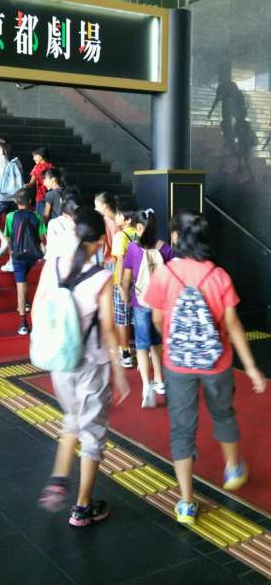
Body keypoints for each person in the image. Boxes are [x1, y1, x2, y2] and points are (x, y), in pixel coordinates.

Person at [145, 210, 266, 525]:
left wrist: (174, 338)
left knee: (182, 428)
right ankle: (233, 468)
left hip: (177, 364)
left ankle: (186, 503)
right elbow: (233, 325)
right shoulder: (218, 276)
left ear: (176, 236)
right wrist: (251, 367)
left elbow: (157, 319)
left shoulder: (164, 274)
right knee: (223, 414)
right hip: (217, 362)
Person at [34, 208, 130, 526]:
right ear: (101, 240)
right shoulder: (102, 278)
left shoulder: (54, 265)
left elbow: (38, 307)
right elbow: (109, 329)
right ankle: (82, 506)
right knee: (93, 435)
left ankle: (60, 476)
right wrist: (120, 373)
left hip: (61, 362)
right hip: (92, 364)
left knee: (72, 420)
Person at [121, 209, 172, 407]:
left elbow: (126, 279)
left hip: (140, 302)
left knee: (142, 344)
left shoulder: (133, 248)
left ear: (140, 228)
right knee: (156, 342)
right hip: (160, 304)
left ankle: (145, 385)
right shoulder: (165, 249)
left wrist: (126, 297)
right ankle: (159, 381)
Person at [4, 187, 46, 335]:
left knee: (20, 287)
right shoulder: (37, 216)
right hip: (33, 256)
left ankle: (23, 323)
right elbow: (42, 237)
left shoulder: (10, 216)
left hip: (18, 257)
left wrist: (11, 256)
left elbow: (8, 238)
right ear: (30, 201)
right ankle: (27, 303)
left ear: (16, 201)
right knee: (24, 280)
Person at [0, 139, 24, 273]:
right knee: (12, 230)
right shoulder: (16, 161)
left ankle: (3, 240)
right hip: (14, 199)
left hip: (0, 199)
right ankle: (11, 261)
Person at [111, 202, 137, 368]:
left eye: (119, 215)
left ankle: (125, 353)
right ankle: (144, 351)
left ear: (127, 220)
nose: (116, 217)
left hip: (122, 281)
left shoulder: (120, 236)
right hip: (138, 281)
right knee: (137, 317)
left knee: (122, 318)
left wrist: (120, 285)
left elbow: (120, 261)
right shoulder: (139, 233)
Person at [45, 191, 81, 262]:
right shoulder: (83, 222)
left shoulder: (53, 223)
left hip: (58, 262)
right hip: (77, 262)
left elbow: (50, 249)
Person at [27, 146, 54, 216]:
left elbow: (31, 184)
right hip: (52, 196)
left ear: (41, 155)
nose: (33, 158)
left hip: (40, 197)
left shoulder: (37, 168)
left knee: (40, 218)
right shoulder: (51, 166)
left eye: (34, 156)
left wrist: (23, 186)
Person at [94, 191, 118, 269]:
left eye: (96, 206)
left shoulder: (105, 221)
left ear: (104, 206)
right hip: (118, 261)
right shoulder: (119, 219)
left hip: (109, 263)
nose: (95, 209)